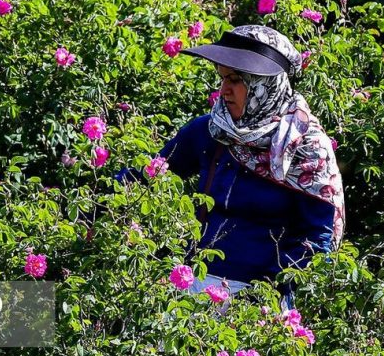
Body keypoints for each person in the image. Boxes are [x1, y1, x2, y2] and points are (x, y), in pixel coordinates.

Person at [115, 25, 345, 311]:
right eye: (223, 78)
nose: (224, 90)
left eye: (235, 80)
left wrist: (269, 288)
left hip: (257, 302)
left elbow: (319, 238)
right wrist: (98, 202)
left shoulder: (305, 149)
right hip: (192, 285)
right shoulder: (212, 130)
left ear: (264, 85)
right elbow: (150, 175)